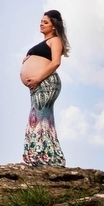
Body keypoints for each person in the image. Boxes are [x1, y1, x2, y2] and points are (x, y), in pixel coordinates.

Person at [19, 9, 69, 167]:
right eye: (41, 21)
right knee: (38, 118)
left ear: (54, 26)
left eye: (45, 22)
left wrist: (39, 78)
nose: (41, 24)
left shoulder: (55, 40)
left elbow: (55, 63)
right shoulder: (42, 43)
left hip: (45, 83)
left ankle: (43, 159)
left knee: (40, 118)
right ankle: (43, 157)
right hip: (37, 85)